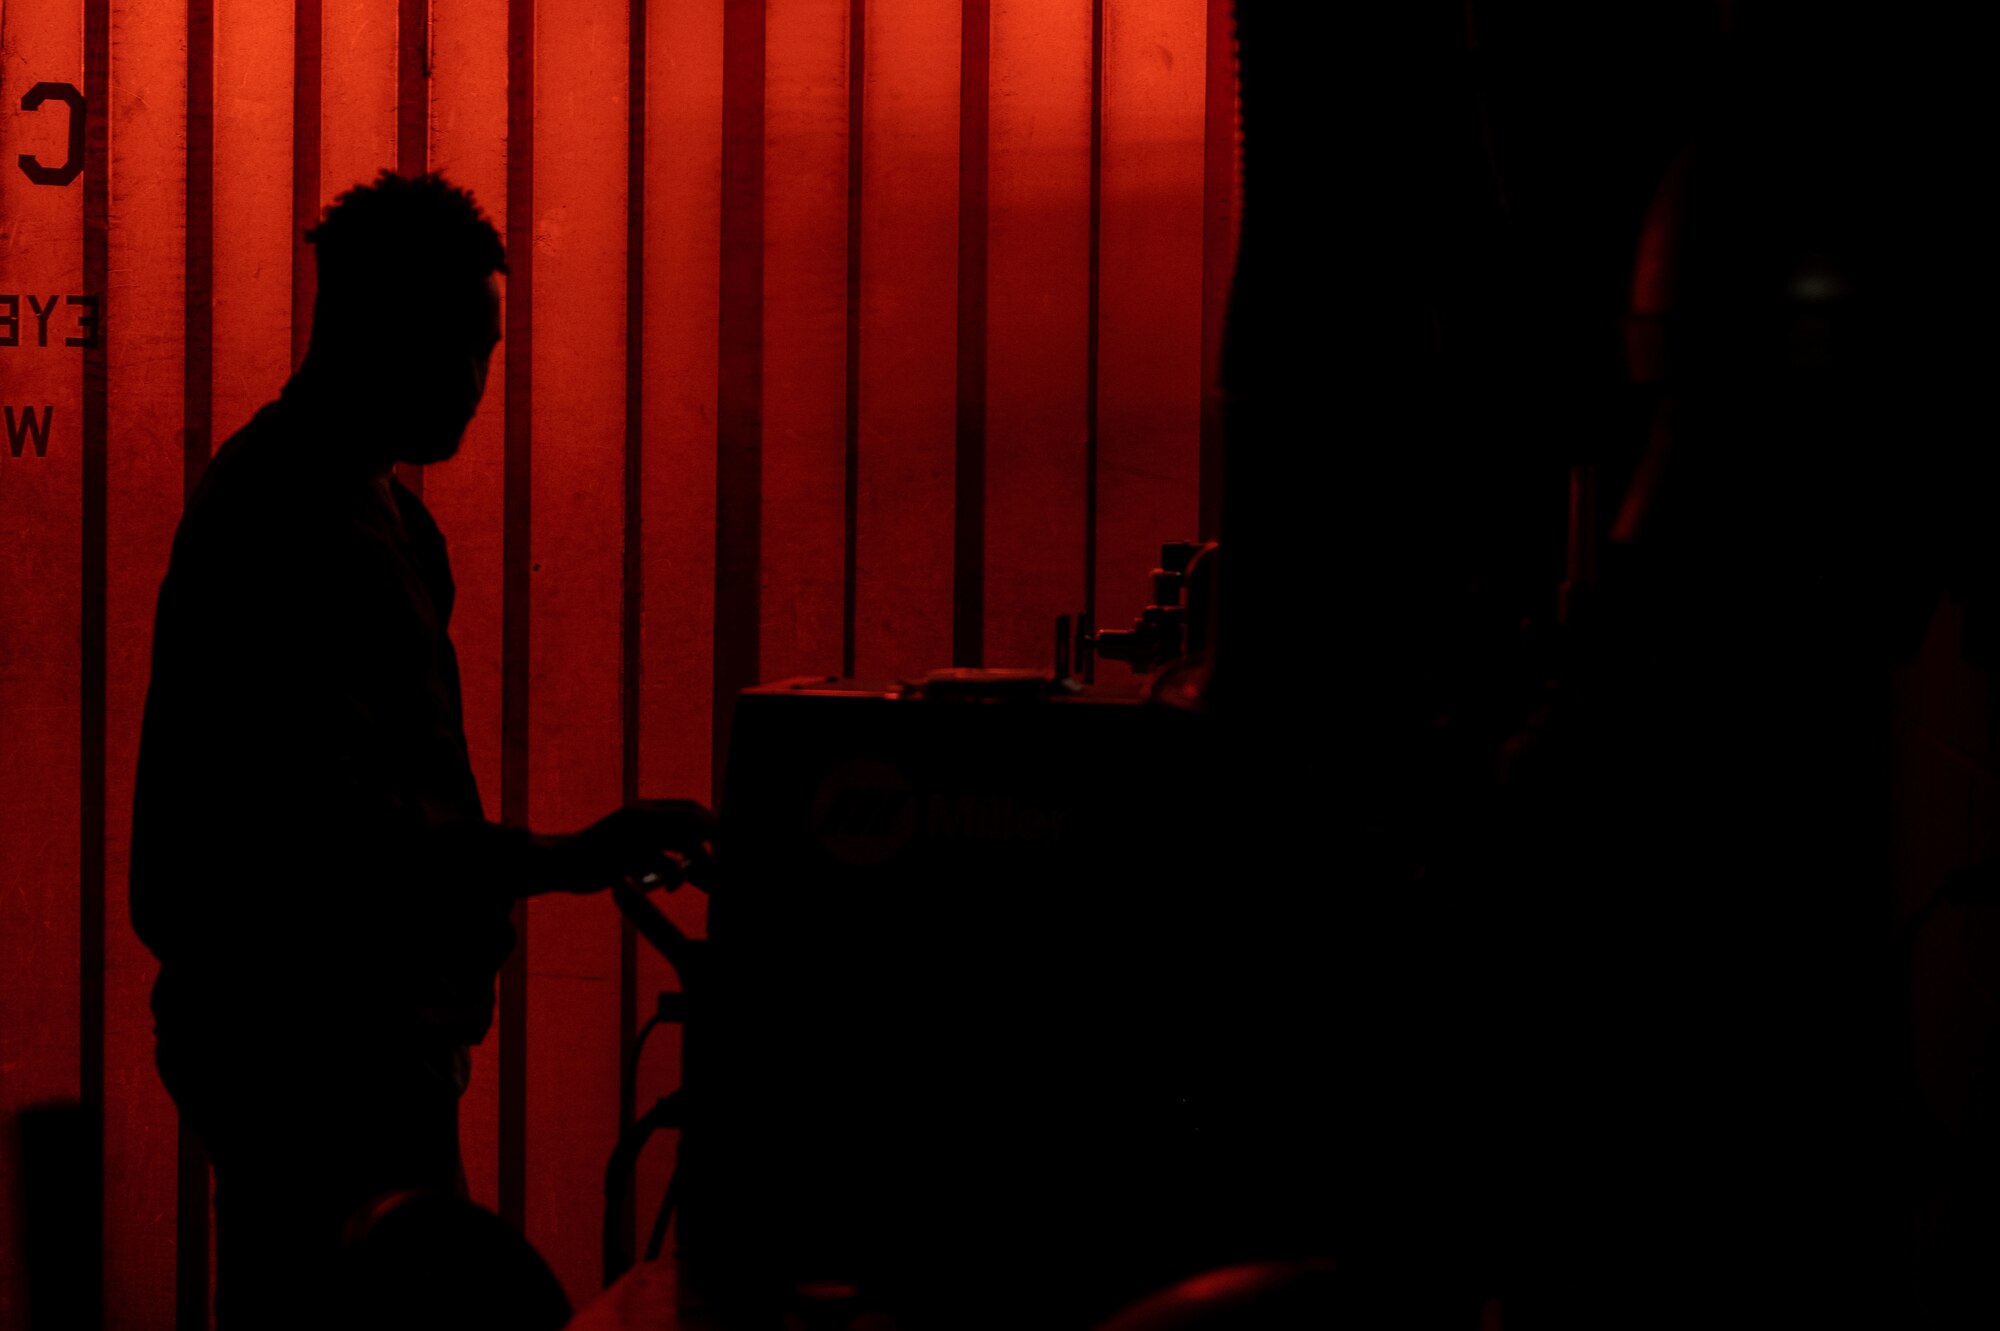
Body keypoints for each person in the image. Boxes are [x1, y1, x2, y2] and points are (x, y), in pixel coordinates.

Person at [129, 171, 710, 1328]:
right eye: (451, 344)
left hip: (348, 1030)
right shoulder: (295, 520)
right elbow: (331, 827)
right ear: (363, 328)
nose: (472, 381)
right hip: (318, 1043)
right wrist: (562, 856)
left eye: (483, 348)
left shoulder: (362, 508)